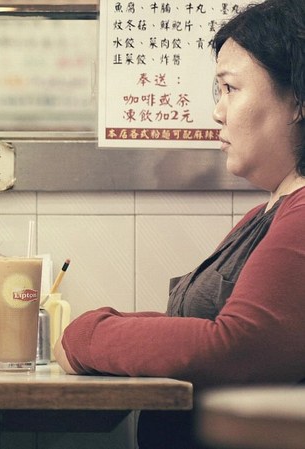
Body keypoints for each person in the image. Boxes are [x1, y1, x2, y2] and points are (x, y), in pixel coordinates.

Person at [54, 0, 305, 447]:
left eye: (230, 88)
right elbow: (195, 325)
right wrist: (105, 324)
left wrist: (87, 335)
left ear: (298, 100)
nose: (218, 112)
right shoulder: (267, 212)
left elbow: (238, 348)